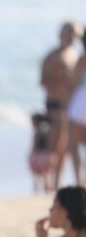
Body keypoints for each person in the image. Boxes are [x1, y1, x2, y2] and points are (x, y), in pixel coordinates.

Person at [41, 22, 82, 187]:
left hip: (71, 109)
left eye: (74, 33)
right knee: (52, 146)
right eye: (68, 32)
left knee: (65, 149)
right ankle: (47, 182)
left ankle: (57, 183)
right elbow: (43, 81)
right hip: (55, 105)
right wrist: (62, 77)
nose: (70, 36)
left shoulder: (77, 56)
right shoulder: (52, 56)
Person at [29, 113, 54, 192]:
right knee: (46, 174)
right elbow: (50, 144)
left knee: (37, 176)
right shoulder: (47, 131)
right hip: (47, 155)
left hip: (39, 155)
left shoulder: (37, 132)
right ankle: (48, 190)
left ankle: (36, 190)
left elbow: (35, 145)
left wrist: (30, 156)